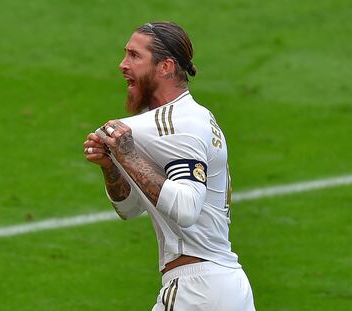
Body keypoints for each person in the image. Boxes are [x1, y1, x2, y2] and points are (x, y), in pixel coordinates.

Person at [83, 21, 255, 311]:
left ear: (165, 67)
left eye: (135, 56)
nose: (122, 65)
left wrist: (127, 154)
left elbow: (186, 208)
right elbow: (130, 208)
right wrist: (111, 165)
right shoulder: (177, 122)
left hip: (197, 290)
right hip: (223, 287)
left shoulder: (178, 123)